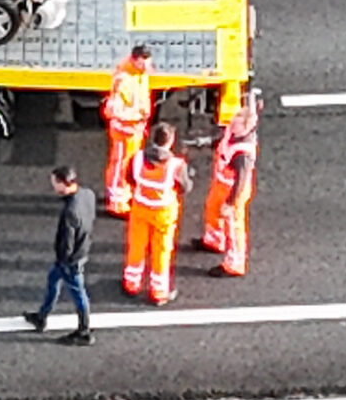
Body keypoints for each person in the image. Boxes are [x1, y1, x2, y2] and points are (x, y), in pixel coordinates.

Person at [26, 165, 99, 345]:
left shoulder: (70, 212)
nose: (53, 187)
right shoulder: (88, 194)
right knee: (52, 280)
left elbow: (67, 242)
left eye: (54, 183)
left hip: (70, 260)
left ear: (62, 184)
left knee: (78, 292)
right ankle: (42, 315)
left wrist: (63, 261)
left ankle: (84, 331)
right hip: (82, 249)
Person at [122, 126, 193, 305]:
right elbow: (185, 187)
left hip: (140, 208)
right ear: (170, 141)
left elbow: (129, 178)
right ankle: (159, 291)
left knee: (137, 245)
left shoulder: (137, 158)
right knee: (161, 249)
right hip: (163, 213)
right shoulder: (175, 165)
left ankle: (131, 282)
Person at [202, 91, 260, 277]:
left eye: (236, 126)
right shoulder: (235, 130)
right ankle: (214, 240)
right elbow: (224, 140)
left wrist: (230, 203)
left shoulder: (243, 153)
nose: (231, 127)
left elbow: (241, 180)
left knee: (233, 225)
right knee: (212, 209)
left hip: (232, 191)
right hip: (221, 184)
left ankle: (234, 264)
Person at [99, 45, 154, 216]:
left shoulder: (139, 73)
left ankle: (122, 191)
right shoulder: (124, 79)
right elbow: (113, 110)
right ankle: (116, 201)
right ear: (135, 59)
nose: (147, 68)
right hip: (125, 130)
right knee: (120, 164)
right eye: (143, 63)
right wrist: (137, 116)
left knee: (128, 163)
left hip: (134, 129)